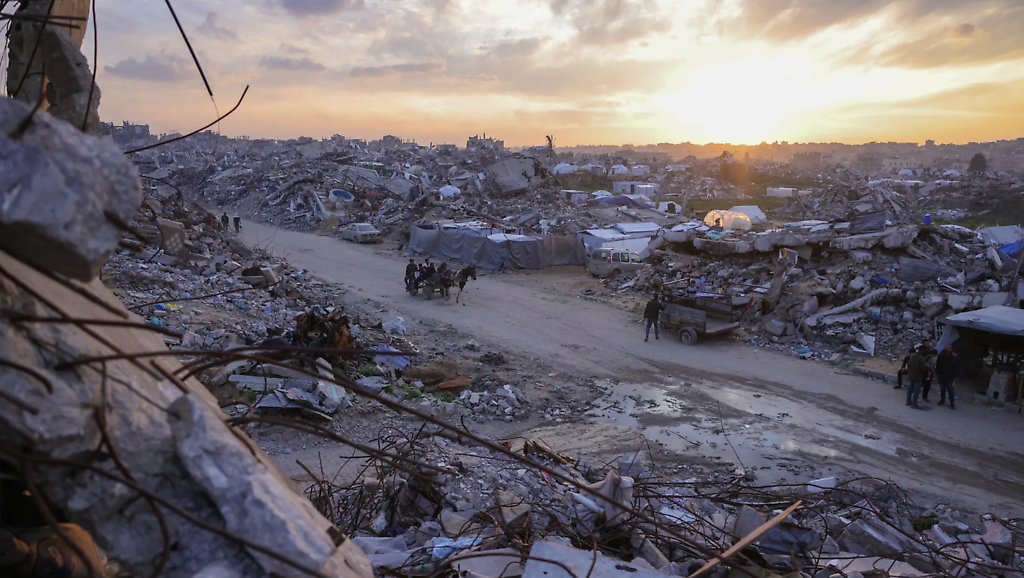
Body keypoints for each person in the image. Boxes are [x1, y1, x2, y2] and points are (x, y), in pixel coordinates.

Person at [934, 344, 960, 409]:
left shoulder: (954, 357)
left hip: (950, 377)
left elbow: (957, 367)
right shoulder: (941, 355)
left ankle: (952, 403)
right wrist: (938, 373)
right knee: (942, 389)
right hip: (942, 376)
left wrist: (956, 376)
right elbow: (937, 365)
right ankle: (942, 400)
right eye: (947, 347)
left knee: (950, 390)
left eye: (950, 348)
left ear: (952, 349)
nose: (948, 349)